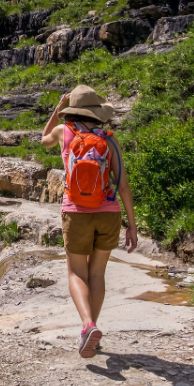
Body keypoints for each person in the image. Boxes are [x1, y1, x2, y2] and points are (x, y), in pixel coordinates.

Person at [41, 85, 138, 359]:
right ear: (97, 112)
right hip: (108, 212)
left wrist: (56, 111)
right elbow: (124, 185)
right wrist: (131, 225)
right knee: (97, 274)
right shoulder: (109, 138)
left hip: (76, 212)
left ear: (71, 110)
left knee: (76, 273)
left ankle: (88, 326)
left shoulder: (64, 132)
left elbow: (43, 139)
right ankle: (90, 332)